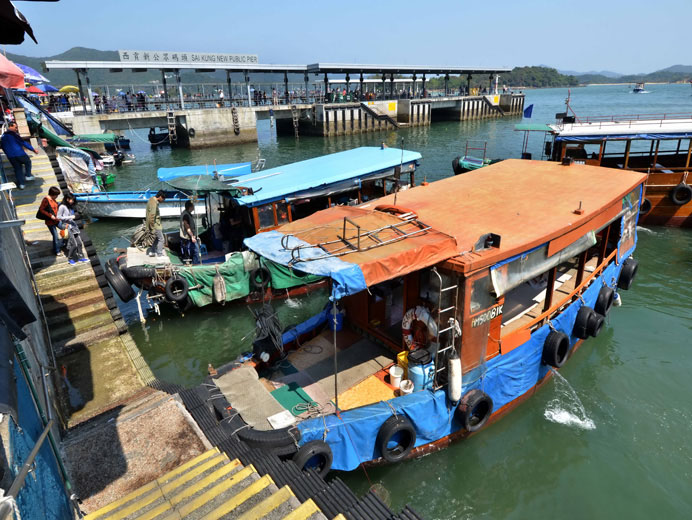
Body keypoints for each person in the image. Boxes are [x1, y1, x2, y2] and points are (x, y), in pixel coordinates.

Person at [1, 122, 38, 189]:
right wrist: (33, 149)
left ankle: (21, 184)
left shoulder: (3, 136)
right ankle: (28, 175)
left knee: (18, 169)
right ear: (10, 126)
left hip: (11, 156)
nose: (16, 129)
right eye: (15, 127)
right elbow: (23, 142)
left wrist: (7, 153)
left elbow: (3, 146)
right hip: (19, 153)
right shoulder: (13, 135)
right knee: (27, 161)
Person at [57, 194, 88, 264]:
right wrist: (69, 217)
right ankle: (70, 258)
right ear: (67, 199)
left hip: (73, 225)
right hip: (67, 226)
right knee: (74, 244)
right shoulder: (62, 206)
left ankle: (81, 257)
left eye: (73, 200)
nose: (73, 201)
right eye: (72, 200)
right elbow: (58, 217)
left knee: (79, 243)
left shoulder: (70, 206)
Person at [38, 186, 62, 256]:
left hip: (56, 219)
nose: (57, 197)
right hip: (50, 221)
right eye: (56, 195)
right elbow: (41, 210)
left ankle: (63, 243)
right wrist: (50, 216)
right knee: (55, 236)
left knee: (65, 228)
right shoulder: (46, 200)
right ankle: (57, 250)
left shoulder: (53, 199)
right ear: (53, 194)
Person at [146, 190, 166, 257]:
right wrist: (152, 228)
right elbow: (152, 216)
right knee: (161, 239)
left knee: (157, 238)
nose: (163, 200)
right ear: (160, 197)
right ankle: (160, 254)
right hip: (156, 225)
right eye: (163, 199)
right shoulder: (154, 203)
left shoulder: (151, 199)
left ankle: (152, 251)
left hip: (155, 224)